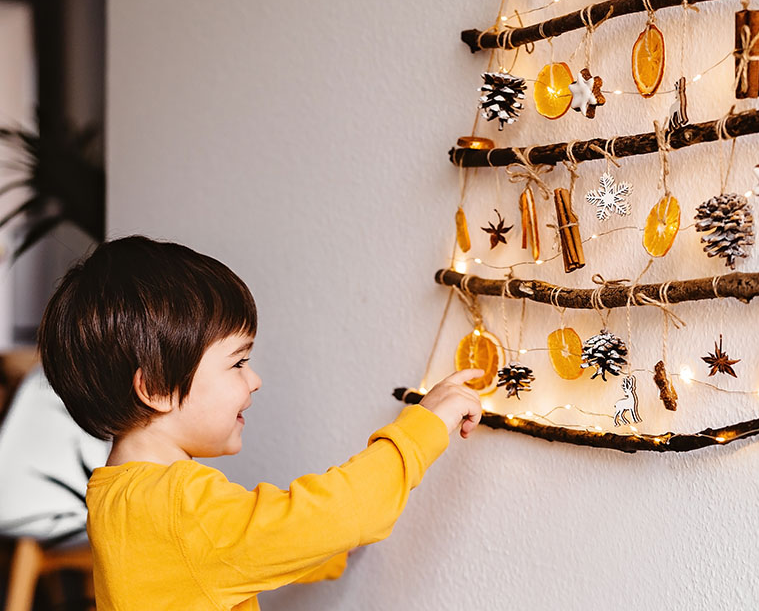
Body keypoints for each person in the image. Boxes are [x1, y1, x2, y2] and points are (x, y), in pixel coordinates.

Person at [36, 235, 483, 610]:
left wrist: (326, 552)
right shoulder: (179, 507)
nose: (254, 380)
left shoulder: (119, 495)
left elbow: (239, 545)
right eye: (238, 362)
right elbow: (341, 514)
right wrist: (425, 423)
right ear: (154, 387)